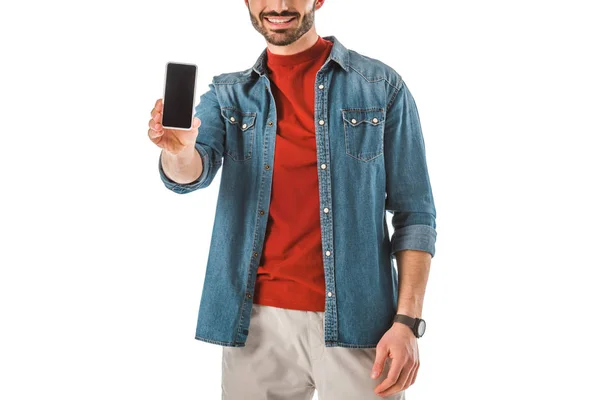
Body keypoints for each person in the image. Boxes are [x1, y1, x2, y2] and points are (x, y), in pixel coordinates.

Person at [147, 1, 437, 398]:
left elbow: (415, 214)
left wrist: (407, 322)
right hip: (254, 326)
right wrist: (177, 151)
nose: (279, 6)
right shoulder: (227, 96)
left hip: (360, 325)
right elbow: (189, 174)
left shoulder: (380, 86)